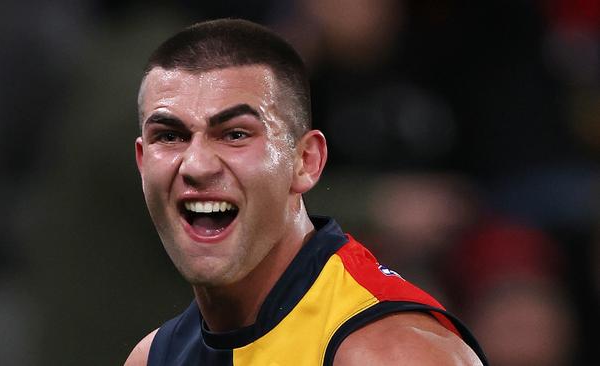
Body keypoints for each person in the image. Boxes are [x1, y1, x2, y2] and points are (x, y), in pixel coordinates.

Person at [125, 19, 487, 365]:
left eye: (236, 134)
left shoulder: (390, 353)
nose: (197, 165)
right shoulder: (153, 358)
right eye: (170, 136)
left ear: (306, 162)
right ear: (142, 162)